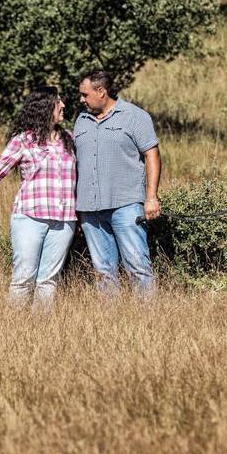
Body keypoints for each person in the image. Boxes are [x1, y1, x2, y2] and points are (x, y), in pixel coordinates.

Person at [0, 87, 77, 310]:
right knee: (23, 278)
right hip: (30, 217)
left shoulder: (70, 139)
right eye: (59, 102)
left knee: (49, 281)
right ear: (45, 107)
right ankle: (15, 327)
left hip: (65, 219)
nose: (64, 106)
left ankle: (41, 331)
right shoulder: (23, 140)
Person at [75, 70, 161, 296]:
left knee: (138, 267)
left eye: (85, 95)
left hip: (125, 205)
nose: (81, 100)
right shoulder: (80, 120)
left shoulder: (135, 116)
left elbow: (152, 154)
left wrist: (151, 198)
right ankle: (110, 323)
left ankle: (149, 320)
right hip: (89, 210)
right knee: (103, 271)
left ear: (101, 91)